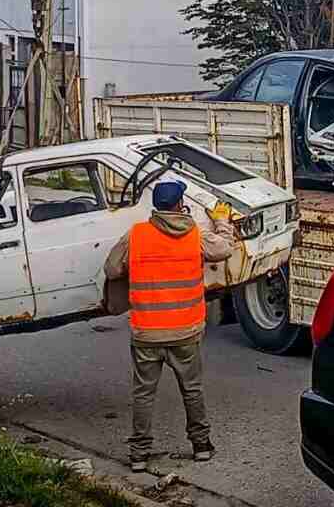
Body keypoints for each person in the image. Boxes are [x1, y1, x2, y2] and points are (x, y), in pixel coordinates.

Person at [104, 181, 234, 472]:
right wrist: (222, 221)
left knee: (143, 394)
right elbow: (224, 248)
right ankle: (201, 447)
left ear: (157, 207)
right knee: (192, 389)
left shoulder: (136, 235)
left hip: (147, 333)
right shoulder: (196, 236)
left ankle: (139, 456)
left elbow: (111, 269)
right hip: (185, 332)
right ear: (179, 205)